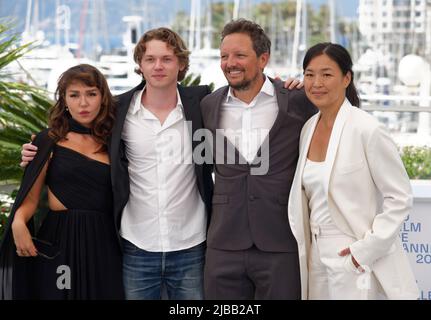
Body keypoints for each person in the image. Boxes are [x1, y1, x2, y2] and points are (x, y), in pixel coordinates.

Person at [19, 28, 302, 300]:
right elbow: (79, 127)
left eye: (167, 58)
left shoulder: (201, 104)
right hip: (136, 246)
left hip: (192, 245)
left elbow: (246, 96)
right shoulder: (118, 111)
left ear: (180, 64)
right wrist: (39, 149)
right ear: (139, 65)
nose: (158, 66)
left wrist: (284, 87)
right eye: (150, 59)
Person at [288, 42, 419, 300]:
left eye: (327, 74)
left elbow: (400, 197)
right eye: (309, 74)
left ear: (346, 78)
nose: (316, 83)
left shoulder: (366, 129)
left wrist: (365, 250)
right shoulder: (307, 129)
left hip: (352, 252)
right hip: (315, 255)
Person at [200, 19, 317, 300]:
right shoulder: (208, 105)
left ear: (263, 59)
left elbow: (340, 116)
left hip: (280, 241)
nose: (230, 63)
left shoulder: (297, 100)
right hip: (224, 241)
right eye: (224, 56)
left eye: (240, 55)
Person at [0, 64, 124, 299]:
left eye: (91, 94)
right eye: (74, 95)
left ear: (103, 98)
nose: (83, 103)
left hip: (105, 243)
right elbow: (31, 198)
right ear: (64, 99)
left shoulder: (115, 142)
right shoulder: (48, 140)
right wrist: (18, 221)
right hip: (58, 242)